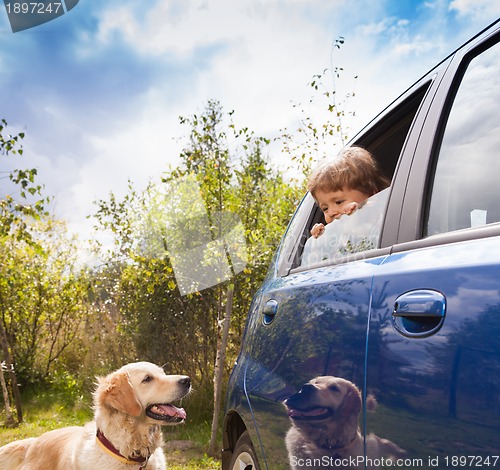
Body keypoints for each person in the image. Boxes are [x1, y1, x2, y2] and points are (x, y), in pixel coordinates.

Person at [307, 146, 389, 238]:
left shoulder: (384, 219)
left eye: (339, 202)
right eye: (325, 208)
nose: (331, 212)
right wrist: (320, 236)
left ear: (371, 195)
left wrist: (358, 216)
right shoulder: (338, 235)